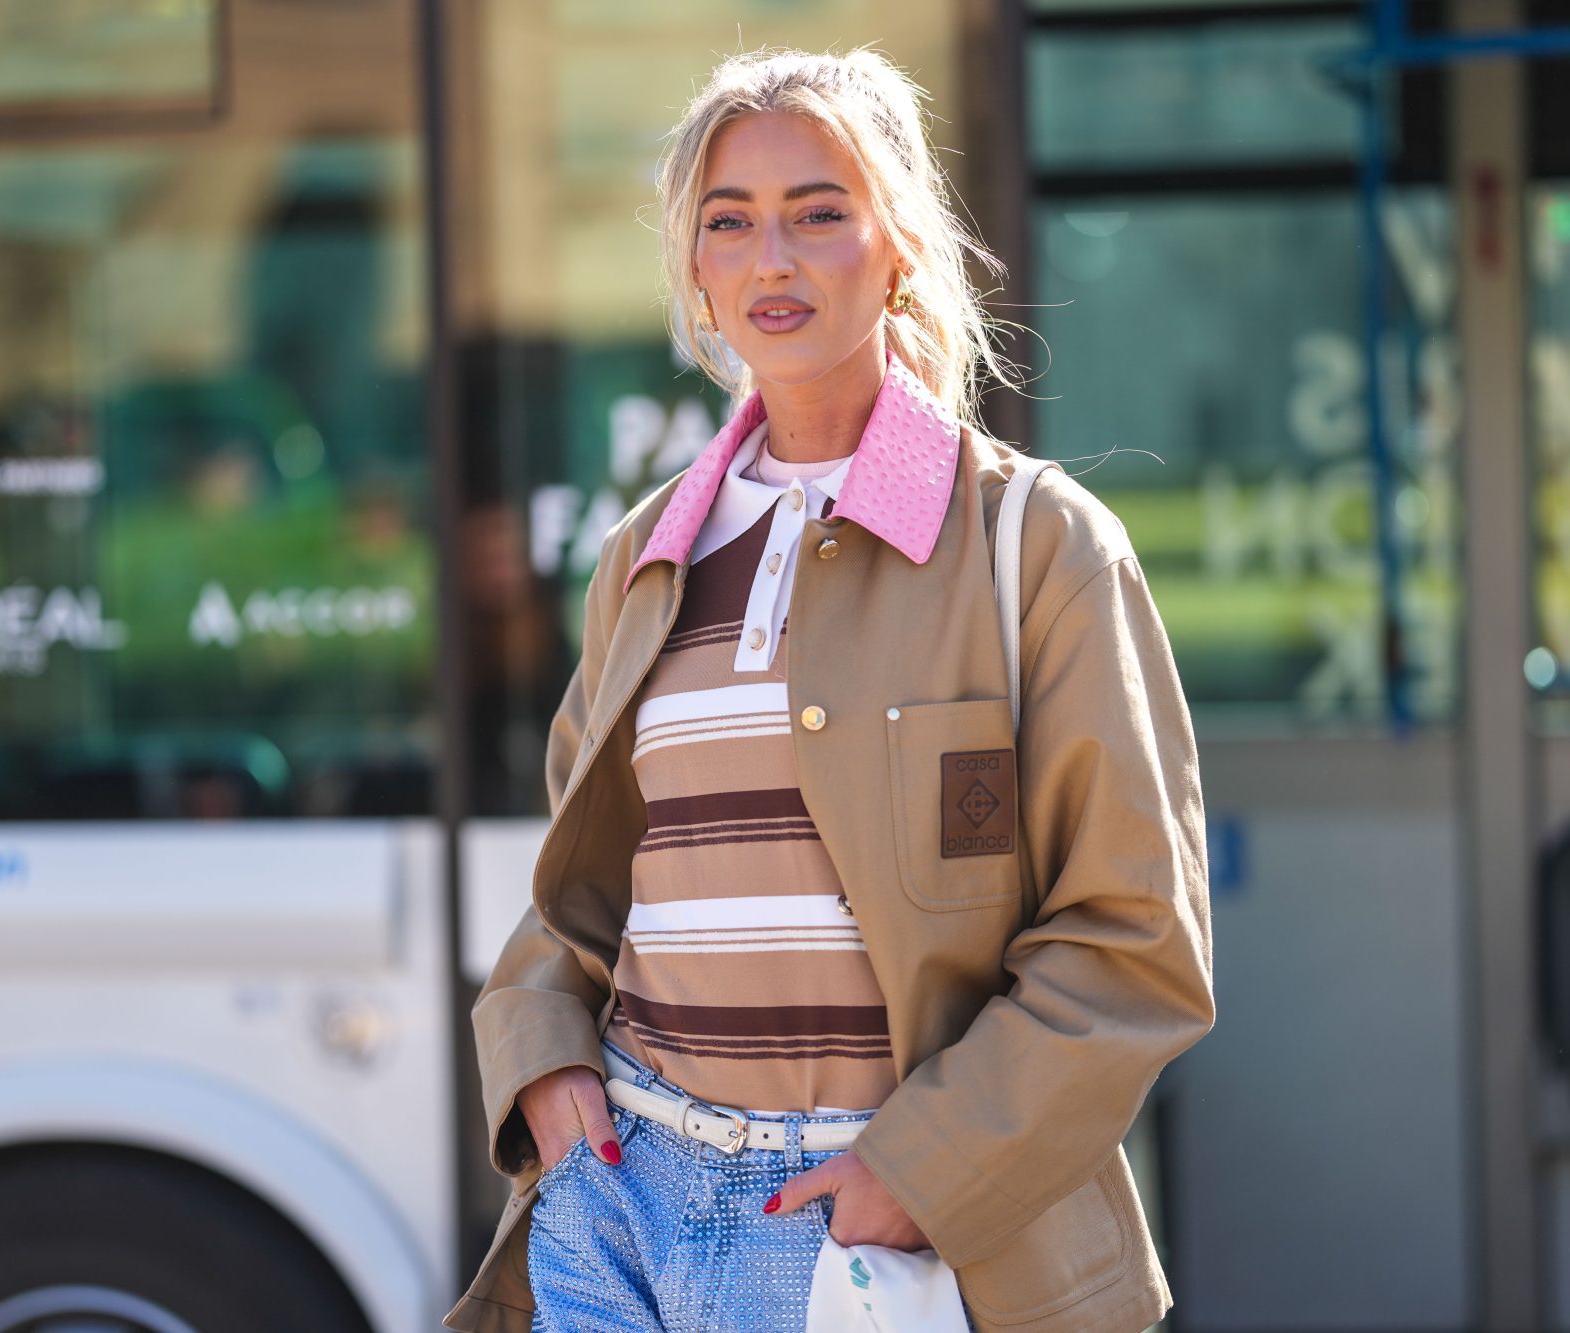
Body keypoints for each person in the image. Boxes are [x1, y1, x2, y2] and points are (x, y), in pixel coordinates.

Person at [444, 44, 1215, 1333]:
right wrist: (543, 1073)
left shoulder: (1037, 545)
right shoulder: (646, 557)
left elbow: (1138, 942)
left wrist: (919, 1176)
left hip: (863, 1227)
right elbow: (576, 897)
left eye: (819, 214)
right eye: (729, 223)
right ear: (693, 264)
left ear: (898, 241)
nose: (771, 260)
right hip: (618, 1197)